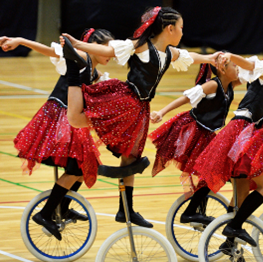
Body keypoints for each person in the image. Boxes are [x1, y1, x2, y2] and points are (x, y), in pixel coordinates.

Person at [60, 6, 220, 229]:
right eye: (181, 28)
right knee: (77, 119)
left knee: (131, 159)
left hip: (141, 109)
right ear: (169, 28)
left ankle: (125, 210)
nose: (183, 33)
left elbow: (190, 56)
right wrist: (77, 45)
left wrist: (210, 58)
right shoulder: (143, 45)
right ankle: (72, 70)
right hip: (126, 100)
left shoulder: (168, 53)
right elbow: (110, 52)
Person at [0, 28, 114, 240]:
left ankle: (63, 205)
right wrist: (20, 39)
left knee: (85, 165)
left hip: (71, 119)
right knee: (77, 166)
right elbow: (50, 51)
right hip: (58, 115)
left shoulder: (95, 73)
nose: (111, 54)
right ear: (94, 46)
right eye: (107, 48)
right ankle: (45, 213)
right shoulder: (81, 56)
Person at [191, 53, 263, 248]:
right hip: (244, 129)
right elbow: (249, 64)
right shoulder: (260, 70)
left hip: (249, 131)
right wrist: (231, 56)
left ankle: (230, 243)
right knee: (225, 171)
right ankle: (231, 226)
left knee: (241, 189)